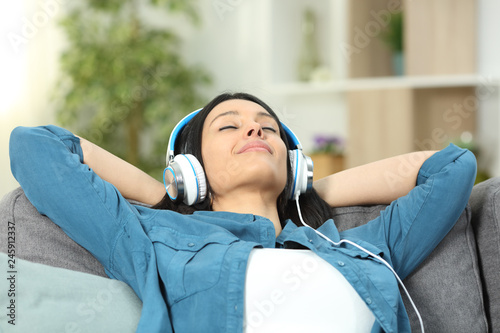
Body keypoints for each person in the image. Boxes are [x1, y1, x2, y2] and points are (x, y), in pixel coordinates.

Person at [9, 92, 477, 332]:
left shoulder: (360, 246)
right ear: (191, 167)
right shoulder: (153, 238)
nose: (254, 130)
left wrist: (308, 189)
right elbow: (36, 147)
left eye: (267, 128)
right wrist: (165, 194)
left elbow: (452, 168)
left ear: (293, 164)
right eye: (229, 126)